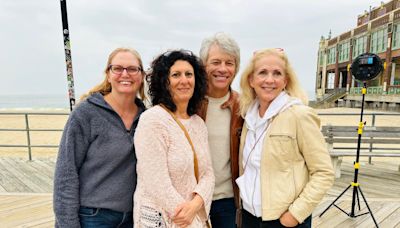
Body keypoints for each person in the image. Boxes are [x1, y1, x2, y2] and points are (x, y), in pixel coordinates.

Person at [237, 48, 334, 227]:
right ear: (251, 80)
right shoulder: (248, 116)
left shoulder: (299, 115)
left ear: (285, 81)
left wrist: (295, 215)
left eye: (277, 73)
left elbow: (324, 172)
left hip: (283, 219)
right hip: (249, 215)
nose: (269, 80)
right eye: (262, 72)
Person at [53, 47, 146, 227]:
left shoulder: (147, 117)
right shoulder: (86, 114)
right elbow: (66, 174)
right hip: (93, 216)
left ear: (141, 75)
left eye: (132, 69)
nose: (125, 74)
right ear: (108, 74)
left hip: (135, 216)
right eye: (118, 68)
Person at [134, 50, 215, 227]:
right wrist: (185, 216)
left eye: (189, 74)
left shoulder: (198, 124)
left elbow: (208, 173)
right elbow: (156, 180)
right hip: (162, 218)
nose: (184, 80)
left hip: (193, 217)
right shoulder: (153, 120)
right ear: (164, 81)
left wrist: (195, 205)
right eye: (176, 75)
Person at [198, 32, 243, 228]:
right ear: (203, 65)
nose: (222, 69)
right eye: (215, 62)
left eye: (229, 63)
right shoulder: (188, 103)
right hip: (192, 199)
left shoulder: (244, 106)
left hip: (227, 201)